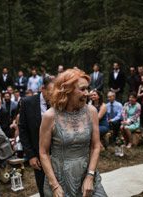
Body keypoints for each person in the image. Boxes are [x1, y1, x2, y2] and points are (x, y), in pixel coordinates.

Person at [38, 68, 107, 197]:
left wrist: (90, 176)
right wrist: (55, 186)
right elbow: (43, 152)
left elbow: (96, 146)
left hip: (87, 176)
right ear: (67, 90)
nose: (87, 93)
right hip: (60, 182)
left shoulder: (91, 111)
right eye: (82, 89)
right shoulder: (50, 116)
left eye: (87, 88)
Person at [19, 75, 51, 194]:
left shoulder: (59, 102)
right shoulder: (27, 103)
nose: (54, 95)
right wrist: (31, 155)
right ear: (43, 88)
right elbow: (23, 130)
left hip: (59, 153)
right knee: (43, 188)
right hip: (38, 155)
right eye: (51, 92)